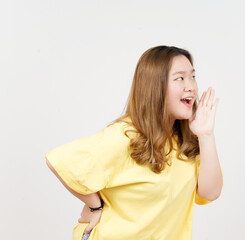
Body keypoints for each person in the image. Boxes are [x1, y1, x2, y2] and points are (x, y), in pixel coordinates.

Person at [45, 45, 223, 240]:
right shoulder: (126, 136)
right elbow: (60, 160)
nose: (191, 86)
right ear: (155, 86)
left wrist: (206, 135)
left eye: (192, 77)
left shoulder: (185, 140)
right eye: (180, 78)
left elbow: (210, 192)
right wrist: (95, 206)